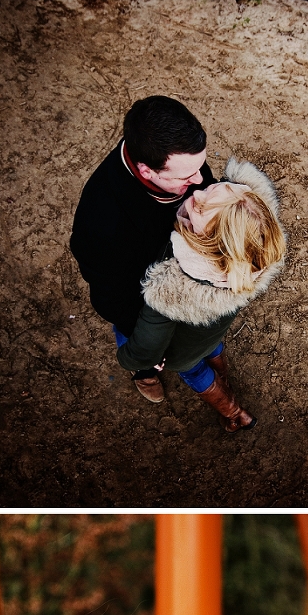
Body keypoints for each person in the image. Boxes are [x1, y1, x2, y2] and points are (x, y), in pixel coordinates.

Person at [114, 158, 285, 431]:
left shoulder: (170, 290)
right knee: (212, 348)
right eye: (213, 188)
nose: (196, 193)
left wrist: (128, 360)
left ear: (208, 240)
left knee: (194, 370)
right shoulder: (254, 247)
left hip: (182, 352)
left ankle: (234, 413)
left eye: (201, 207)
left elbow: (144, 350)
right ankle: (225, 375)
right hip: (210, 334)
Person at [70, 96, 215, 394]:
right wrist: (146, 340)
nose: (200, 179)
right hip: (137, 297)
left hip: (181, 274)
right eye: (187, 176)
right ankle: (145, 369)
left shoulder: (173, 157)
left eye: (200, 166)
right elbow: (110, 296)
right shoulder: (101, 223)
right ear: (147, 171)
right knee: (146, 345)